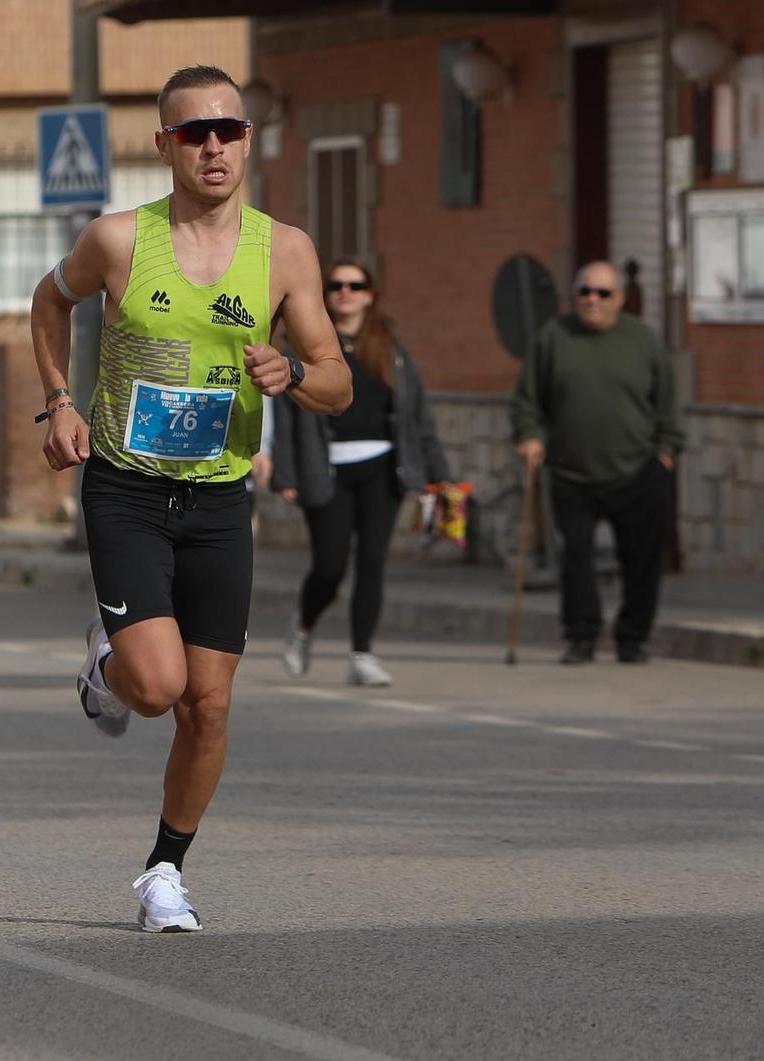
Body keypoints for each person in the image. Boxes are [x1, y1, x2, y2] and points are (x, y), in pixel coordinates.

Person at [31, 64, 350, 933]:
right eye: (195, 133)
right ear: (165, 144)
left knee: (208, 703)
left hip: (219, 499)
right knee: (156, 685)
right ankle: (108, 665)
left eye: (229, 131)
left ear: (249, 139)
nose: (214, 147)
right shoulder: (117, 240)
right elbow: (47, 302)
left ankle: (165, 870)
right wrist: (59, 399)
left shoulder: (284, 249)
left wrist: (295, 372)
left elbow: (337, 378)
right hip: (128, 487)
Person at [271, 258, 451, 687]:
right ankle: (304, 626)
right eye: (336, 285)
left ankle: (363, 653)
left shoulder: (390, 346)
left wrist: (438, 473)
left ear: (370, 294)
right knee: (330, 566)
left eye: (356, 285)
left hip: (383, 468)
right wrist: (287, 474)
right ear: (325, 294)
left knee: (372, 562)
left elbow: (416, 413)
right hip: (327, 469)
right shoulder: (305, 344)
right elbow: (287, 416)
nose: (345, 292)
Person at [512, 261, 684, 665]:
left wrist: (667, 452)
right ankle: (581, 636)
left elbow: (668, 403)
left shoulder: (643, 340)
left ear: (620, 299)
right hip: (572, 472)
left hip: (639, 468)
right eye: (585, 292)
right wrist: (531, 435)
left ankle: (633, 637)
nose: (593, 300)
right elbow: (527, 400)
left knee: (642, 560)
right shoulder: (553, 337)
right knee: (576, 556)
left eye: (603, 293)